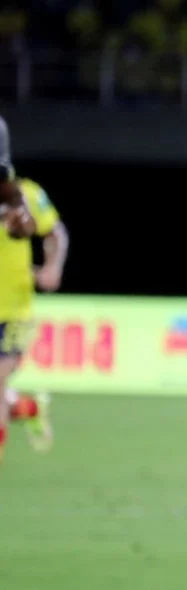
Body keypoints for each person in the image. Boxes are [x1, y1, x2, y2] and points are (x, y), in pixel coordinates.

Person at [1, 118, 66, 462]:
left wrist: (52, 267)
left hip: (13, 311)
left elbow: (56, 233)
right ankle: (26, 407)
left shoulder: (26, 195)